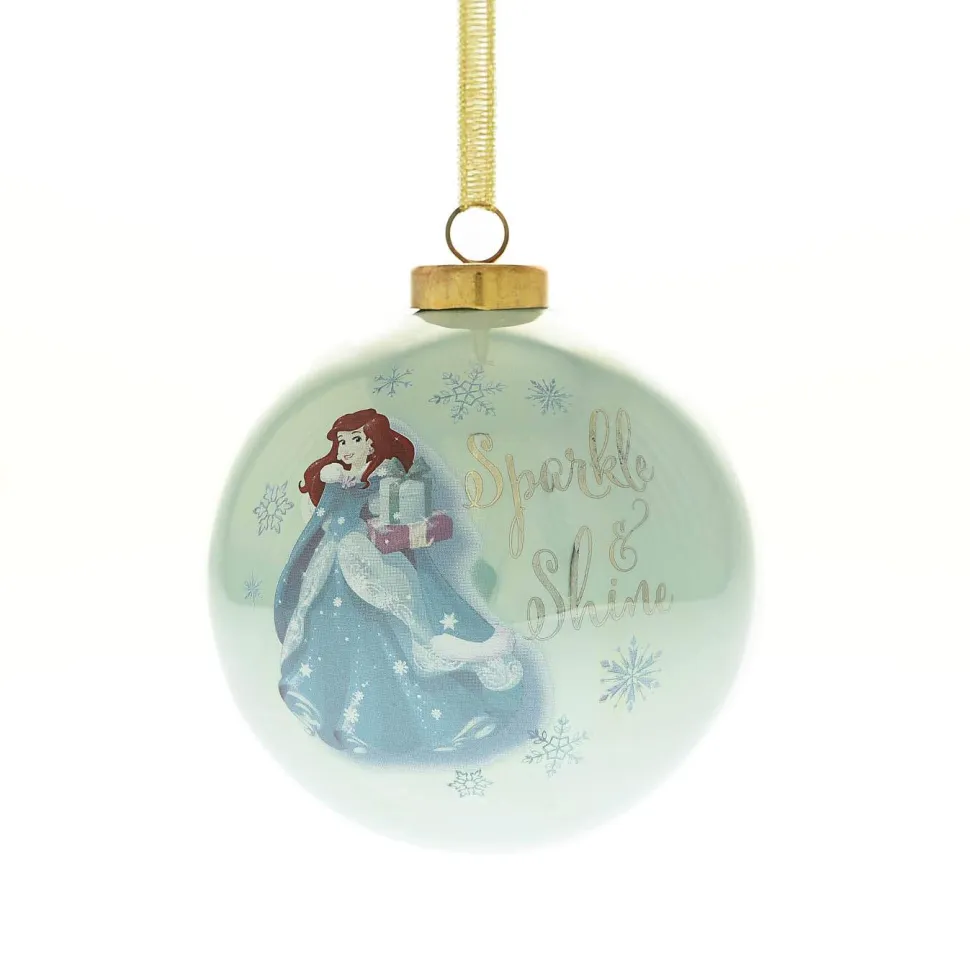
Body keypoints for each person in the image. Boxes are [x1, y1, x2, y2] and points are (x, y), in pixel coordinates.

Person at [274, 408, 525, 760]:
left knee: (392, 639)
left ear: (372, 444)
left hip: (375, 569)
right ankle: (334, 707)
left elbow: (401, 518)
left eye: (355, 440)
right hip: (335, 573)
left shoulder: (386, 481)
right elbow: (324, 517)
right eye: (342, 441)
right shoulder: (339, 480)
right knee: (332, 640)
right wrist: (330, 482)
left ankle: (398, 719)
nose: (346, 448)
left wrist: (386, 522)